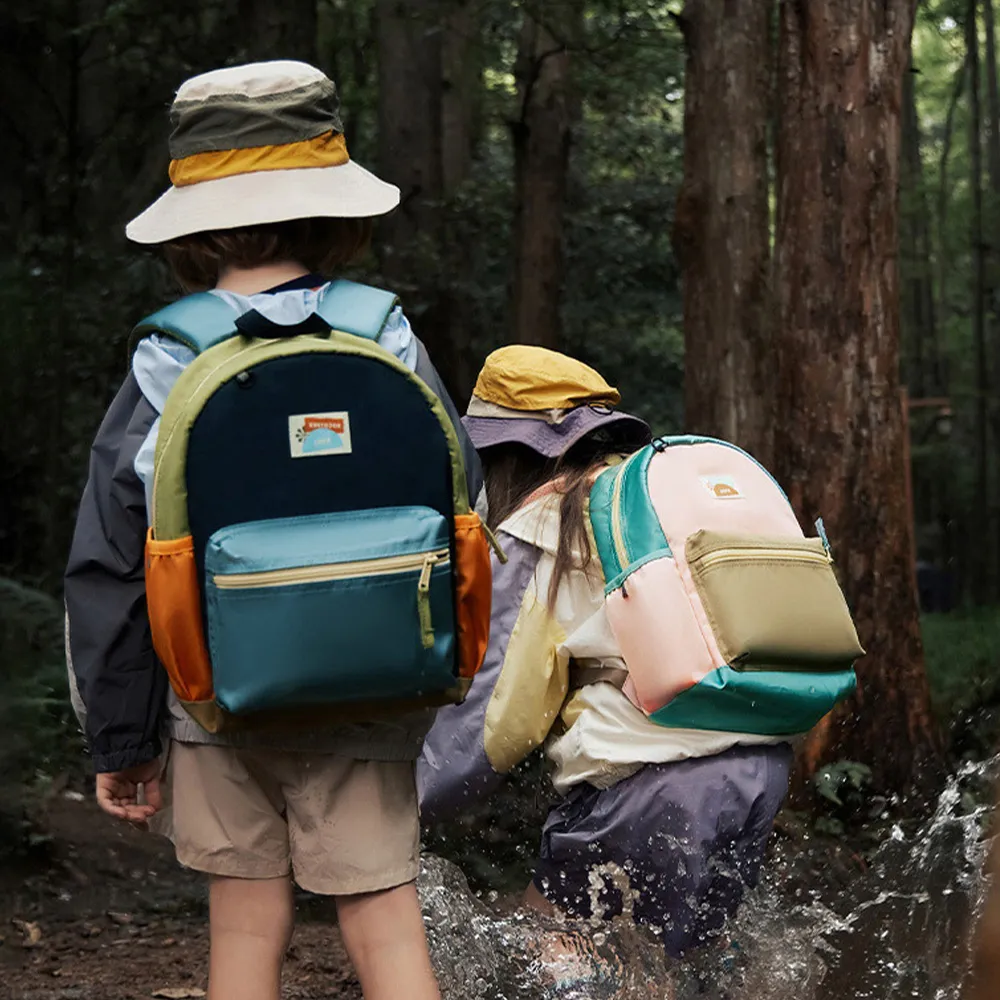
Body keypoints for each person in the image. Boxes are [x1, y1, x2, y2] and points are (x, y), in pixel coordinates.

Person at [65, 61, 479, 1000]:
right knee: (383, 914)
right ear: (334, 206)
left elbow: (114, 557)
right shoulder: (383, 332)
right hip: (375, 678)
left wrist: (120, 740)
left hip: (216, 694)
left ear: (193, 220)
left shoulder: (170, 354)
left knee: (245, 922)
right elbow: (463, 501)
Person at [418, 345, 793, 958]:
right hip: (758, 773)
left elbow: (494, 723)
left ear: (506, 452)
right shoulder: (663, 499)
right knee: (682, 963)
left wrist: (399, 801)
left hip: (644, 790)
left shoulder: (548, 524)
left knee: (546, 947)